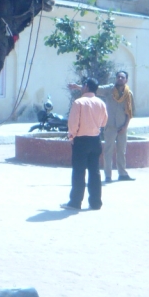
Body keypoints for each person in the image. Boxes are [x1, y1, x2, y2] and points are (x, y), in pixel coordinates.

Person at [62, 78, 108, 211]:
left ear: (86, 86)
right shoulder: (101, 103)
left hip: (81, 140)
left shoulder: (79, 102)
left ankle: (75, 202)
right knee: (95, 172)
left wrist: (72, 136)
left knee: (78, 171)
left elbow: (73, 123)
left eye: (83, 85)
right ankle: (95, 203)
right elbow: (104, 122)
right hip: (95, 140)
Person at [98, 70, 135, 182]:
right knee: (108, 151)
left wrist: (125, 127)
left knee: (121, 152)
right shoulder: (109, 90)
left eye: (122, 77)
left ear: (126, 80)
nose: (120, 79)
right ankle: (108, 176)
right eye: (118, 77)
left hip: (122, 127)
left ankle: (122, 174)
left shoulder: (129, 94)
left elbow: (130, 112)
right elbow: (95, 88)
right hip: (110, 126)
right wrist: (78, 87)